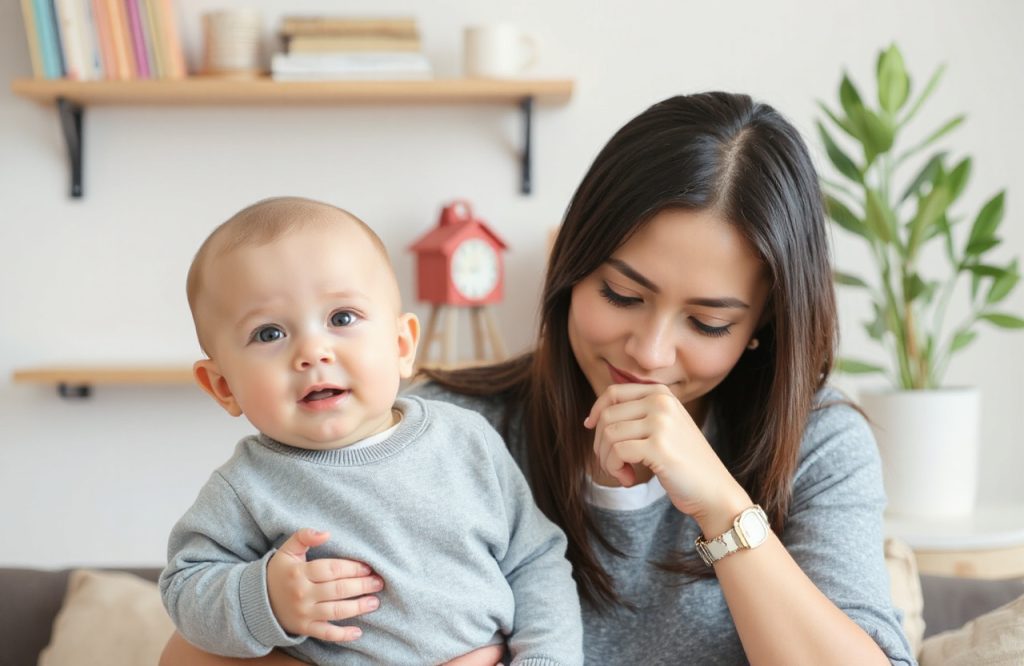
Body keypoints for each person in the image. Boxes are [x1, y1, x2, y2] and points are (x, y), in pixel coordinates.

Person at [162, 93, 915, 665]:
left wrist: (720, 505)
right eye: (621, 295)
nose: (649, 352)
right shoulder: (437, 429)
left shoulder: (817, 443)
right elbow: (186, 651)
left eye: (708, 323)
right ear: (568, 270)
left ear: (763, 328)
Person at [159, 197, 583, 666]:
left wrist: (544, 659)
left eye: (341, 318)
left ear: (402, 345)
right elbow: (184, 588)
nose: (312, 351)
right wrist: (267, 600)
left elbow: (536, 561)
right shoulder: (245, 487)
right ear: (222, 386)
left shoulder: (467, 440)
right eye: (269, 333)